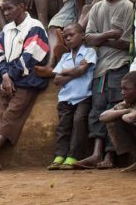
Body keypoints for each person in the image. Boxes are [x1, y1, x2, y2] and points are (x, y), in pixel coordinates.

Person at [0, 0, 49, 171]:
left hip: (28, 81)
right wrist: (5, 76)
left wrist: (10, 76)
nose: (5, 13)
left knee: (11, 115)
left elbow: (29, 58)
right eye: (4, 9)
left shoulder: (35, 27)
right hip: (8, 81)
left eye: (9, 8)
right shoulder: (6, 30)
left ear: (22, 7)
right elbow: (0, 55)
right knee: (0, 115)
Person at [75, 0, 133, 169]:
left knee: (113, 108)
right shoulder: (97, 7)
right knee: (97, 110)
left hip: (119, 65)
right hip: (100, 69)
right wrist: (108, 35)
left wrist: (98, 38)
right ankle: (96, 153)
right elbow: (88, 39)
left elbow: (126, 43)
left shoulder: (126, 6)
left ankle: (110, 155)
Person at [47, 23, 97, 170]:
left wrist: (66, 72)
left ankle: (73, 156)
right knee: (63, 126)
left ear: (82, 36)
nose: (68, 38)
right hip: (65, 99)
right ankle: (60, 155)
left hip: (83, 97)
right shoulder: (64, 57)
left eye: (71, 35)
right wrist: (76, 70)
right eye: (65, 36)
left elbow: (82, 71)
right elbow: (56, 80)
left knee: (78, 122)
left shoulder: (89, 52)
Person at [100, 71, 136, 172]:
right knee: (112, 120)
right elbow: (103, 117)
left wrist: (127, 114)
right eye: (122, 89)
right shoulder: (129, 102)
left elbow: (132, 118)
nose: (122, 92)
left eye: (126, 89)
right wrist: (126, 110)